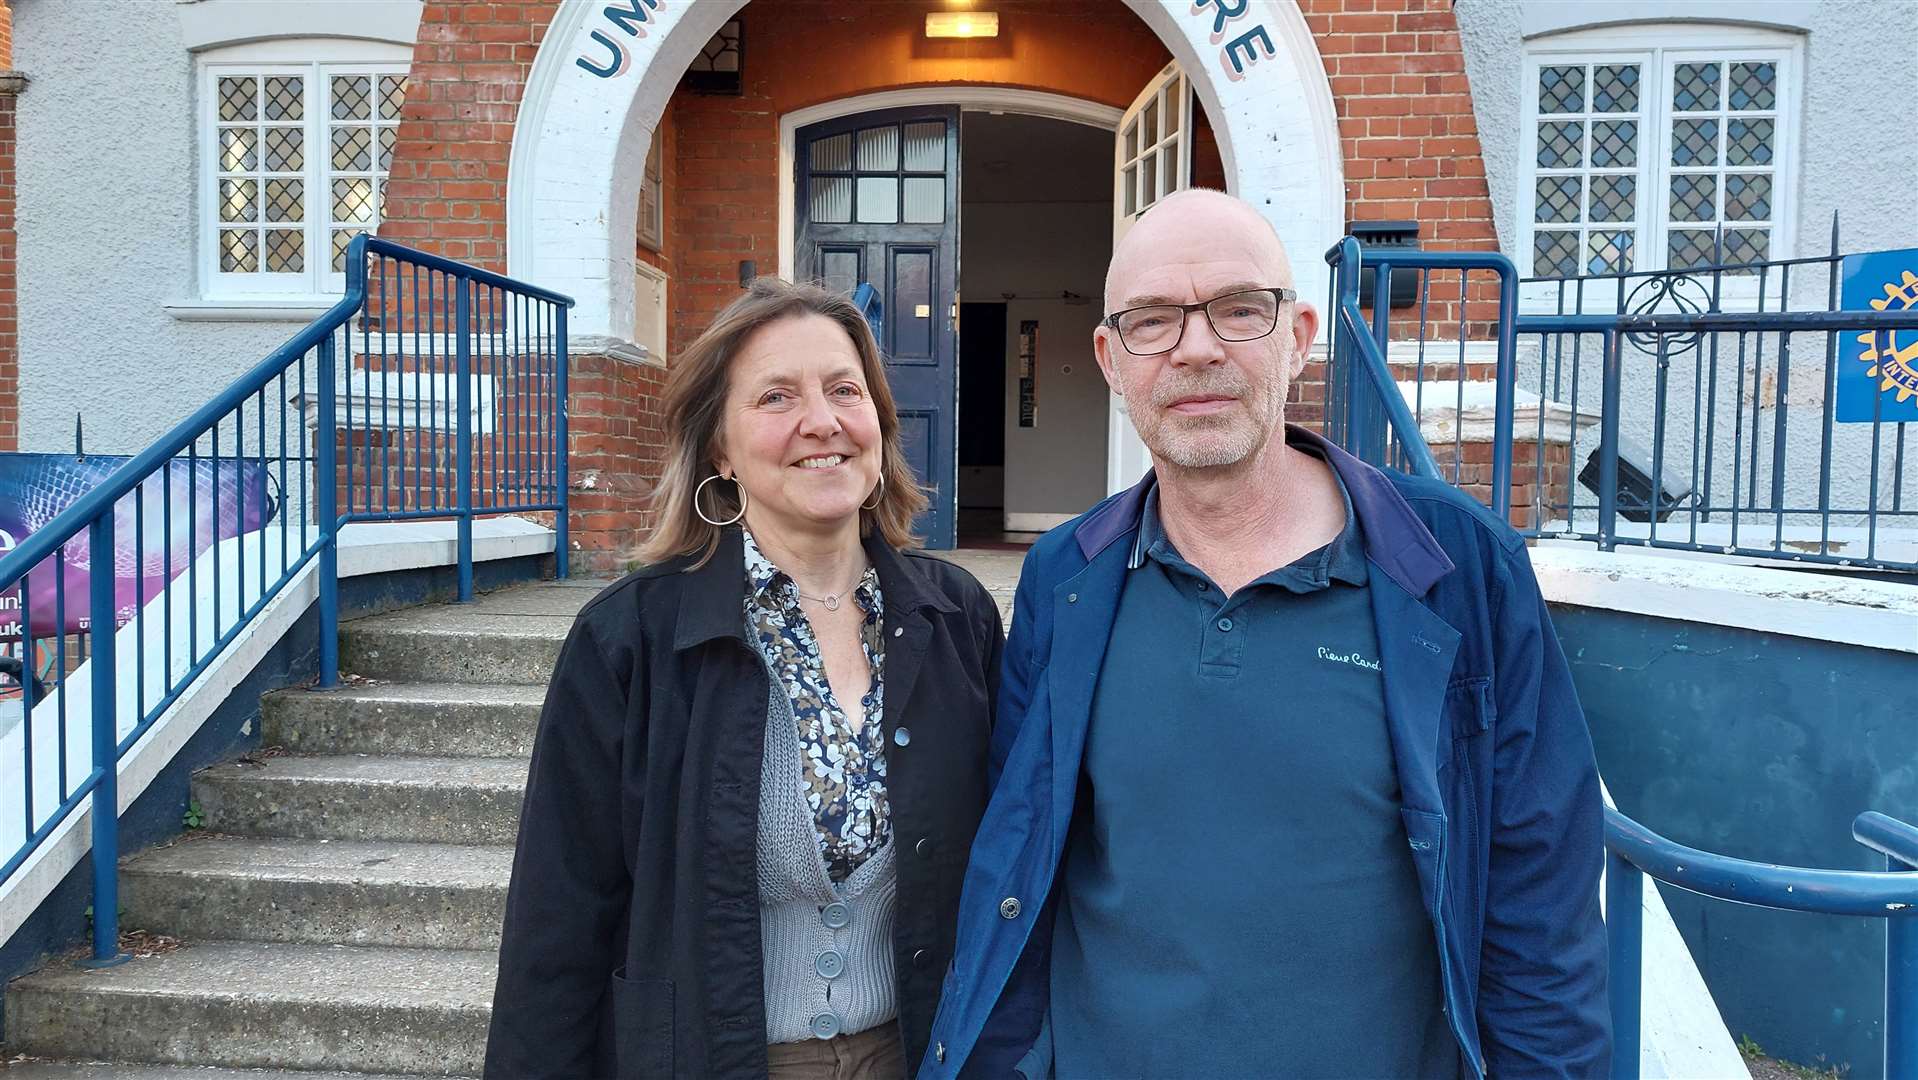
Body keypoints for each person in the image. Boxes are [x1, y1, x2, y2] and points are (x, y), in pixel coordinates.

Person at [920, 190, 1609, 1080]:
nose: (1196, 348)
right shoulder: (1066, 578)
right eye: (1153, 320)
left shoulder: (1455, 569)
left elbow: (1540, 900)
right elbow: (1021, 869)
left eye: (1239, 310)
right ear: (1110, 358)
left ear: (1299, 335)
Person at [486, 278, 1003, 1080]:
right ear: (719, 447)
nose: (822, 422)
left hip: (924, 1055)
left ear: (878, 423)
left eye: (844, 390)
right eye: (775, 397)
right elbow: (558, 922)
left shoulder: (957, 619)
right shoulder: (630, 640)